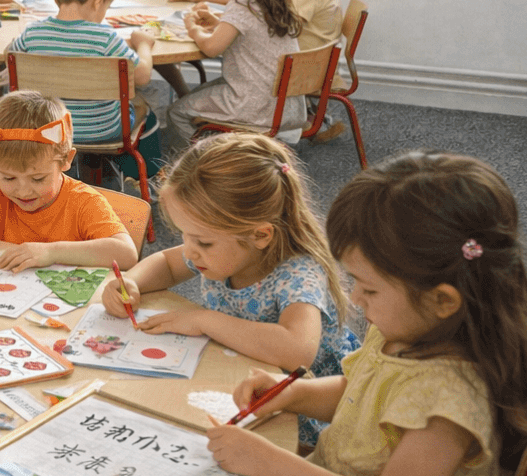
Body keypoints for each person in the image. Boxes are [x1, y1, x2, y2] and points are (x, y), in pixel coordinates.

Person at [195, 151, 527, 476]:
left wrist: (271, 461)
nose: (354, 298)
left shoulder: (450, 396)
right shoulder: (405, 327)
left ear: (443, 300)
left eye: (368, 288)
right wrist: (293, 395)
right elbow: (359, 392)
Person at [104, 132, 356, 447]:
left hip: (306, 412)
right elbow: (167, 264)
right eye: (186, 236)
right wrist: (131, 281)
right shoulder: (220, 253)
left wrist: (203, 320)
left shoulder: (299, 274)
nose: (191, 251)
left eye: (203, 241)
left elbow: (296, 352)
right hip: (239, 376)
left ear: (260, 235)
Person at [9, 0, 164, 188]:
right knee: (147, 111)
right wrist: (143, 44)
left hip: (47, 129)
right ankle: (148, 180)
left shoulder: (32, 34)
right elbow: (142, 75)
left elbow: (10, 56)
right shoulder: (105, 38)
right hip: (103, 130)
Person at [0, 90, 135, 272]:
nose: (23, 191)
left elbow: (126, 254)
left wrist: (52, 252)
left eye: (38, 178)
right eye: (8, 177)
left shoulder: (84, 202)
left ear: (66, 161)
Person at [166, 0, 303, 146]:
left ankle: (204, 163)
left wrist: (192, 27)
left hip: (254, 106)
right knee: (198, 94)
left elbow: (211, 48)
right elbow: (253, 33)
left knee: (177, 112)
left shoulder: (240, 6)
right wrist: (220, 23)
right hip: (284, 105)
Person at [275, 0, 345, 144]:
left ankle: (292, 123)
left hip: (307, 67)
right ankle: (311, 116)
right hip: (320, 59)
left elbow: (286, 28)